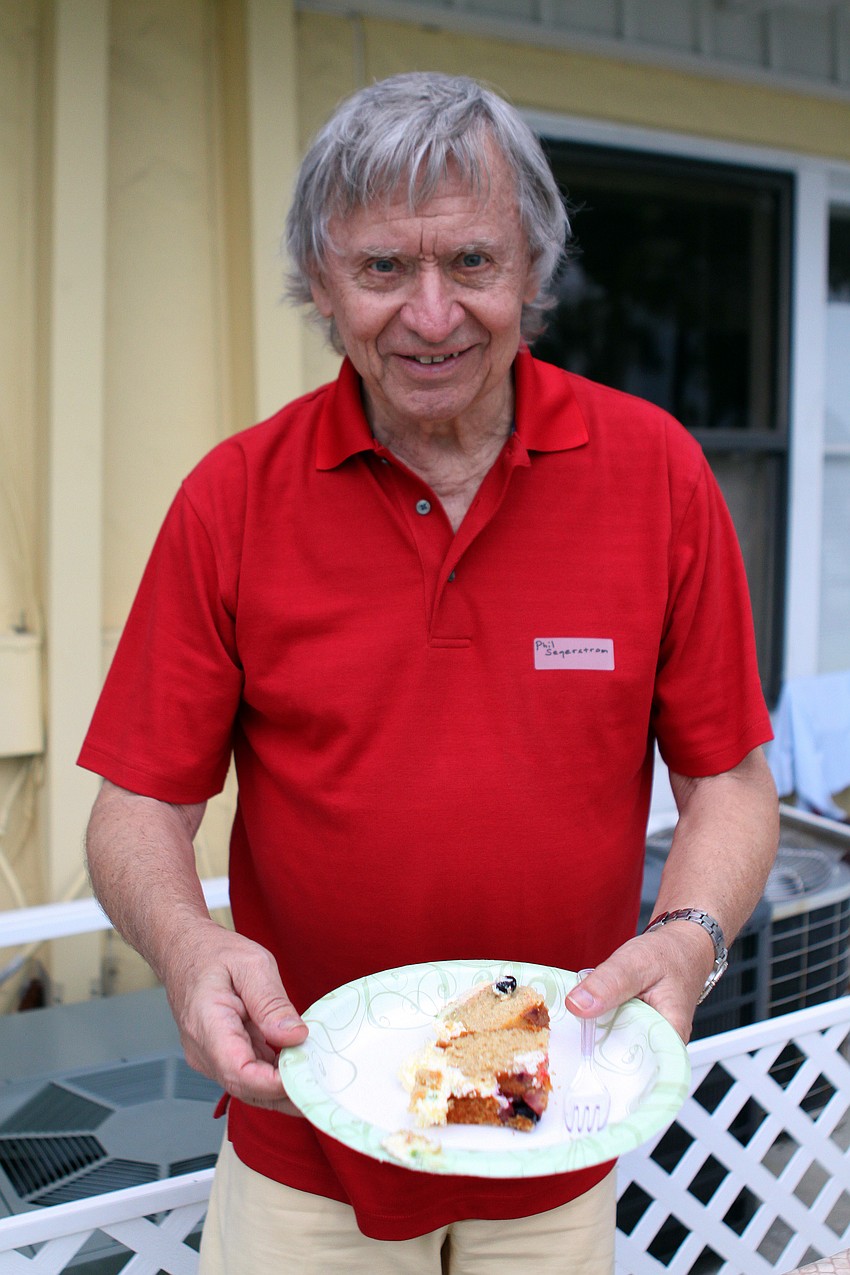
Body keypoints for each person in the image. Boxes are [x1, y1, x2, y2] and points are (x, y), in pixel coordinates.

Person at [80, 71, 779, 1274]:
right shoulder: (232, 499)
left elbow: (729, 779)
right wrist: (190, 952)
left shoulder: (656, 475)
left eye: (470, 261)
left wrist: (692, 932)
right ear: (318, 281)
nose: (433, 314)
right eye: (382, 269)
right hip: (308, 1129)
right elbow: (139, 804)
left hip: (555, 1123)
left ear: (533, 274)